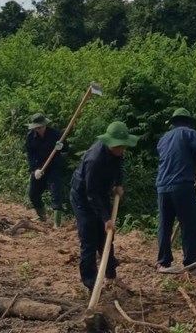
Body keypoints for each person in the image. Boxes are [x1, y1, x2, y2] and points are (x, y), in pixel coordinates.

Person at [70, 121, 139, 292]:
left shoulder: (117, 152)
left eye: (124, 146)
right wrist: (106, 218)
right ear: (110, 143)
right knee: (89, 239)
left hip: (101, 193)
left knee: (106, 237)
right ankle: (91, 284)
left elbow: (118, 168)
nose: (122, 150)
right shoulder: (94, 160)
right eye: (120, 146)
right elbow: (91, 193)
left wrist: (118, 184)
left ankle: (111, 276)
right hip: (83, 197)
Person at [155, 108, 196, 274]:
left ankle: (163, 263)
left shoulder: (163, 139)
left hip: (162, 186)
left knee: (164, 225)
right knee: (189, 224)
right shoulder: (189, 133)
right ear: (188, 122)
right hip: (182, 185)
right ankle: (191, 264)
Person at [25, 113, 68, 227]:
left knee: (55, 193)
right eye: (37, 128)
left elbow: (66, 148)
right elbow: (30, 155)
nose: (39, 130)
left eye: (41, 127)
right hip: (39, 168)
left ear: (45, 125)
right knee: (33, 194)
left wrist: (61, 147)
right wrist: (34, 171)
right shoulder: (30, 136)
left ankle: (57, 223)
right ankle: (41, 216)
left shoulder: (55, 134)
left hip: (54, 167)